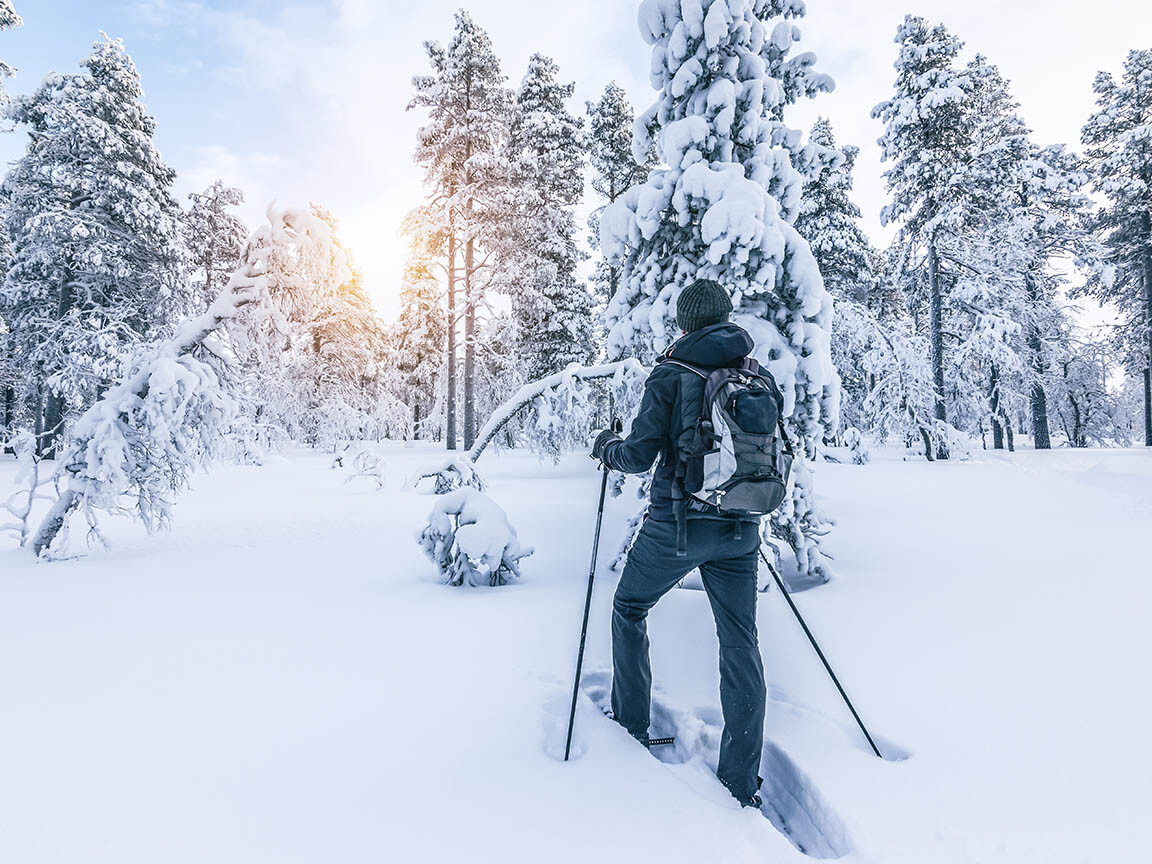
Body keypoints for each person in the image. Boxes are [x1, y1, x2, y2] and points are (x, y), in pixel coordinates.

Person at [592, 277, 769, 809]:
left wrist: (607, 446)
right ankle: (740, 780)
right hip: (741, 525)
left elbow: (639, 455)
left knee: (628, 607)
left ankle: (629, 724)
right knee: (740, 642)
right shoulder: (753, 373)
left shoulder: (670, 374)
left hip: (677, 526)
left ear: (686, 323)